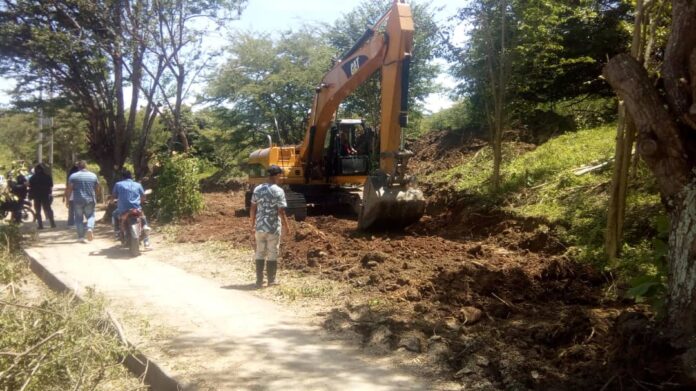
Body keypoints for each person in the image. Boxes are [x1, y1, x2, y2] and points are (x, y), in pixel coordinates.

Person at [250, 165, 290, 288]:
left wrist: (252, 223)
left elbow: (253, 207)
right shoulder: (278, 191)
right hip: (272, 226)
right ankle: (271, 280)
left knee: (260, 252)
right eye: (280, 175)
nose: (281, 178)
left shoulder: (257, 189)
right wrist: (286, 225)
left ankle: (259, 281)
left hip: (260, 226)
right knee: (272, 252)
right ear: (277, 175)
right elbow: (281, 211)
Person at [111, 170, 151, 248]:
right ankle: (146, 241)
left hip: (123, 209)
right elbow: (143, 197)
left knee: (114, 214)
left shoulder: (118, 184)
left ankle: (117, 232)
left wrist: (112, 201)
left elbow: (113, 197)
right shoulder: (138, 185)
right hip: (136, 208)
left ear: (122, 177)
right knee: (143, 217)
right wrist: (141, 201)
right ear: (131, 177)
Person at [65, 161, 98, 243]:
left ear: (78, 167)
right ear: (86, 166)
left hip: (77, 200)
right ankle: (90, 228)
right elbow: (97, 187)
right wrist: (95, 196)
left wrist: (68, 200)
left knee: (79, 218)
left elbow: (69, 189)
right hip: (90, 199)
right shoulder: (93, 175)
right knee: (91, 216)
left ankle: (81, 237)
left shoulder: (73, 176)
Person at [28, 164, 55, 229]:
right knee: (48, 209)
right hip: (45, 195)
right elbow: (51, 187)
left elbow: (30, 186)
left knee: (38, 211)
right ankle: (52, 223)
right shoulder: (48, 177)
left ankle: (40, 225)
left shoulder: (33, 177)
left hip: (36, 196)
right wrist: (50, 194)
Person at [65, 162, 79, 227]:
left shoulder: (71, 176)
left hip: (72, 195)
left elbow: (68, 187)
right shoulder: (81, 175)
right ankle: (79, 223)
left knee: (71, 210)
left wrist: (66, 198)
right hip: (80, 195)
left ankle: (71, 223)